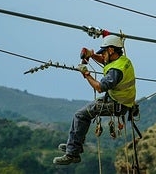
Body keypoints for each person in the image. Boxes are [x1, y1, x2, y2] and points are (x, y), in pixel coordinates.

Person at [53, 35, 136, 165]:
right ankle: (74, 144)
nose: (102, 55)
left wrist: (86, 74)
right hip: (121, 101)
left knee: (80, 115)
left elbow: (99, 87)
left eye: (103, 52)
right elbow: (105, 61)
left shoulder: (116, 70)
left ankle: (72, 153)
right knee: (83, 114)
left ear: (111, 50)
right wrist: (91, 55)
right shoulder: (122, 60)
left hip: (117, 104)